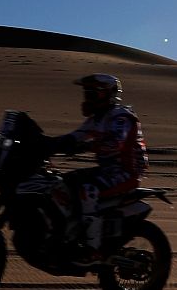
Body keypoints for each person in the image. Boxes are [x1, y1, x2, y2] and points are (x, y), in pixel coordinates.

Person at [45, 73, 148, 259]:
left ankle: (93, 248)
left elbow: (116, 143)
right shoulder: (97, 119)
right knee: (63, 182)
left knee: (87, 191)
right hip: (107, 171)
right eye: (87, 94)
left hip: (127, 172)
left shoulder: (120, 117)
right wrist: (46, 144)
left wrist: (87, 145)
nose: (88, 99)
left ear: (107, 94)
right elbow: (75, 136)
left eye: (93, 94)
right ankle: (70, 232)